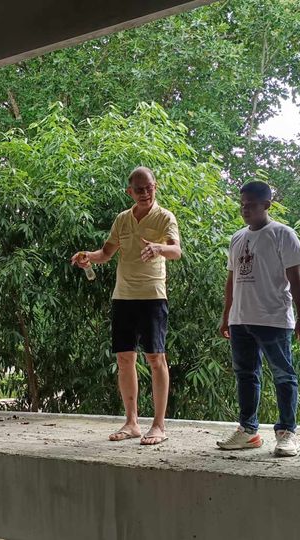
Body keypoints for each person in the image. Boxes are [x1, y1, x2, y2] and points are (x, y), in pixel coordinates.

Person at [71, 166, 181, 445]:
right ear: (129, 192)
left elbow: (176, 250)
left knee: (156, 358)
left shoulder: (165, 217)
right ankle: (131, 423)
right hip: (123, 296)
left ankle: (158, 425)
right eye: (139, 189)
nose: (145, 193)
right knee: (124, 359)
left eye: (149, 188)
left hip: (153, 295)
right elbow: (106, 253)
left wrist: (158, 248)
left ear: (155, 187)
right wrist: (87, 257)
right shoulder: (122, 219)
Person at [216, 181, 300, 457]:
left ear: (267, 205)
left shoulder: (283, 234)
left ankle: (287, 432)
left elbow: (296, 280)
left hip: (273, 318)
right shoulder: (237, 238)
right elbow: (232, 279)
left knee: (283, 375)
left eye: (251, 205)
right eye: (242, 204)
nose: (245, 209)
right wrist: (227, 315)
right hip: (241, 319)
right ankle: (248, 430)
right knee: (246, 375)